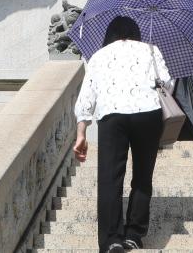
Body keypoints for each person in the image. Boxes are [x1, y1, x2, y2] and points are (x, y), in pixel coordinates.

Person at [72, 15, 172, 253]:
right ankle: (134, 235)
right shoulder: (151, 50)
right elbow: (167, 83)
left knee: (110, 177)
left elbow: (87, 96)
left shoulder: (99, 55)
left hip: (112, 116)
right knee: (143, 175)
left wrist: (81, 133)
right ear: (136, 33)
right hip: (147, 114)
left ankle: (111, 240)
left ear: (110, 34)